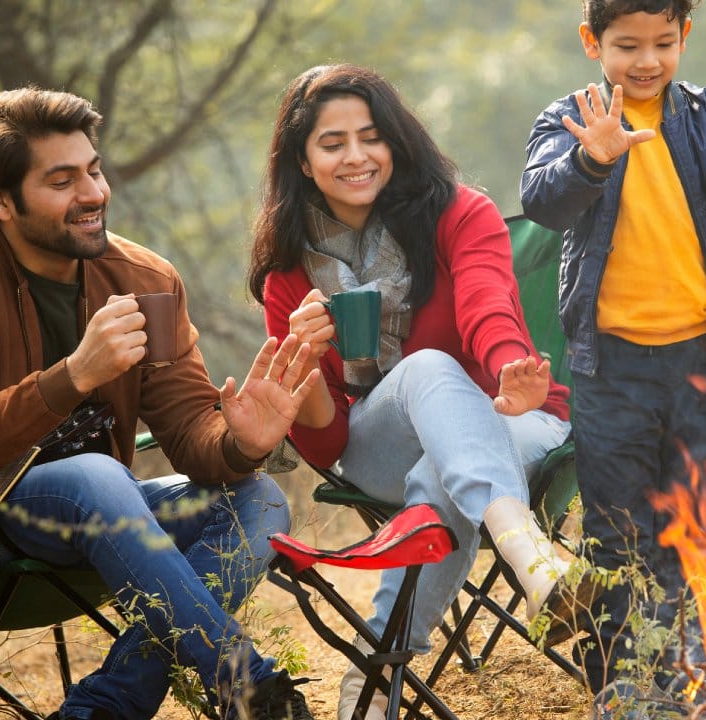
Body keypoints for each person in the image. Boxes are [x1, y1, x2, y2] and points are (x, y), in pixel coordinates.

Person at [0, 87, 321, 720]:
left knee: (259, 498)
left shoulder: (146, 279)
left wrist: (238, 444)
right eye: (62, 181)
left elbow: (189, 431)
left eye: (94, 170)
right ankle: (247, 684)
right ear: (0, 200)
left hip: (108, 515)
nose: (93, 193)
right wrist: (73, 376)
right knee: (95, 474)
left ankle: (102, 709)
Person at [249, 64, 593, 720]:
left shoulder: (459, 214)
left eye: (371, 136)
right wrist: (307, 362)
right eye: (332, 143)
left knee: (441, 470)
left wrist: (511, 369)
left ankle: (370, 683)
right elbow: (324, 442)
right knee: (429, 369)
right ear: (302, 162)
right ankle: (530, 556)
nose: (356, 156)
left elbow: (489, 305)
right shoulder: (289, 276)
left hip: (512, 418)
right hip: (379, 445)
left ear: (396, 141)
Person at [519, 0, 706, 714]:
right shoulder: (571, 119)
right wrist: (591, 157)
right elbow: (543, 202)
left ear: (685, 37)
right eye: (627, 46)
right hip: (611, 368)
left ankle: (681, 674)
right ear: (592, 42)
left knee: (690, 525)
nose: (647, 61)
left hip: (702, 359)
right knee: (618, 533)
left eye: (663, 43)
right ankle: (622, 683)